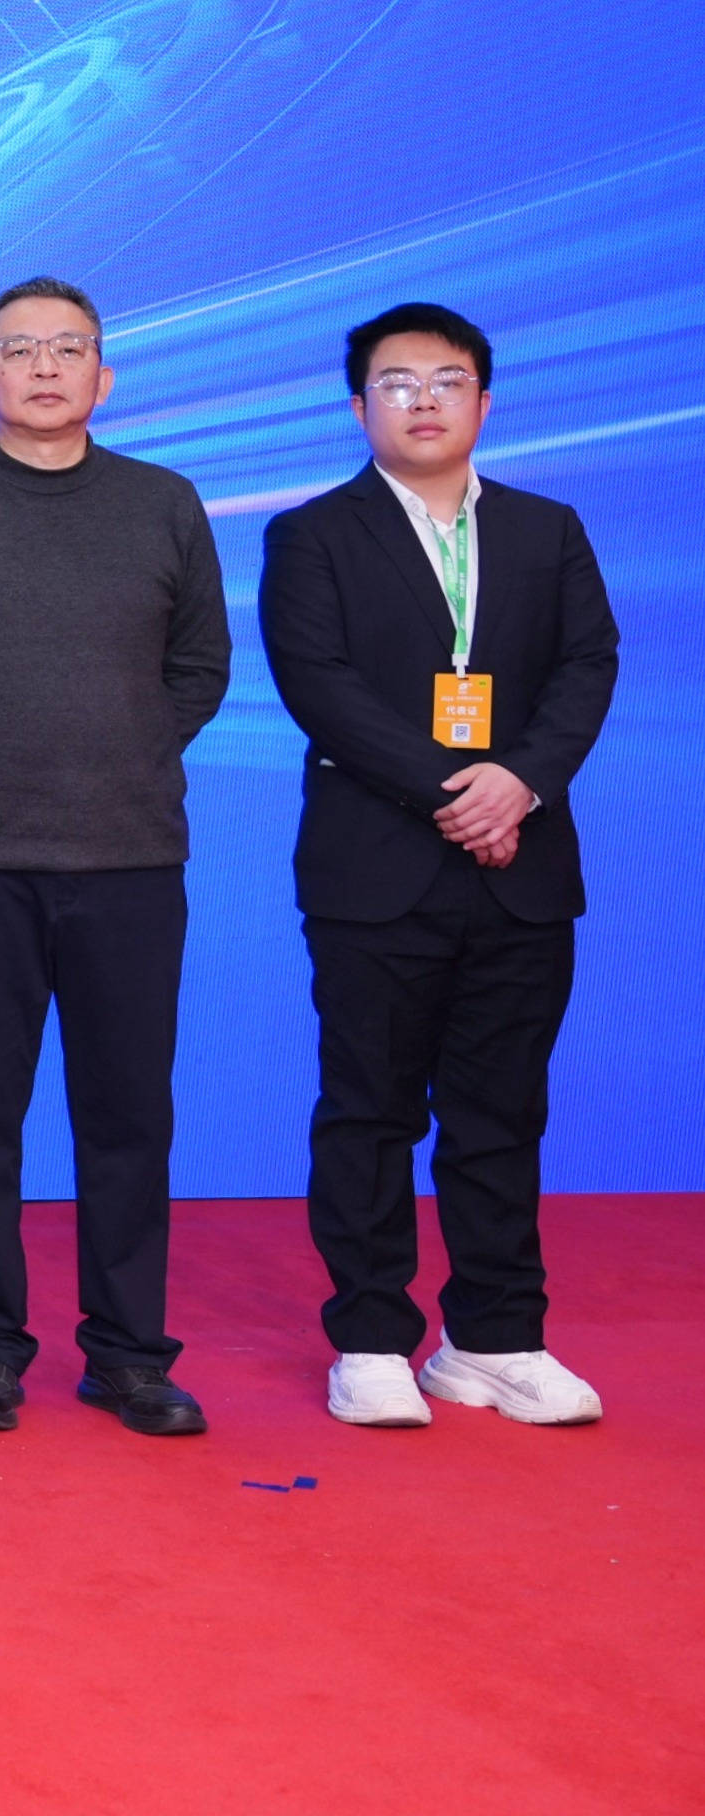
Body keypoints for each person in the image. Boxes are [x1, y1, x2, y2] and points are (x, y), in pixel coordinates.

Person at [0, 277, 230, 1437]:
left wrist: (120, 753)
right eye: (16, 350)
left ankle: (126, 1352)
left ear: (102, 376)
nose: (43, 368)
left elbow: (197, 667)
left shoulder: (162, 503)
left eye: (67, 348)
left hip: (126, 855)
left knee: (126, 1116)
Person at [261, 302, 618, 1429]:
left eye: (447, 380)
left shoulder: (546, 530)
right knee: (367, 1110)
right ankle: (370, 1337)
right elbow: (320, 687)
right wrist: (457, 794)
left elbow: (587, 665)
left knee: (501, 1112)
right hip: (375, 872)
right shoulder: (313, 535)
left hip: (523, 864)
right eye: (397, 381)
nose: (423, 399)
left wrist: (521, 782)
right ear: (357, 405)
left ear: (484, 401)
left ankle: (493, 1339)